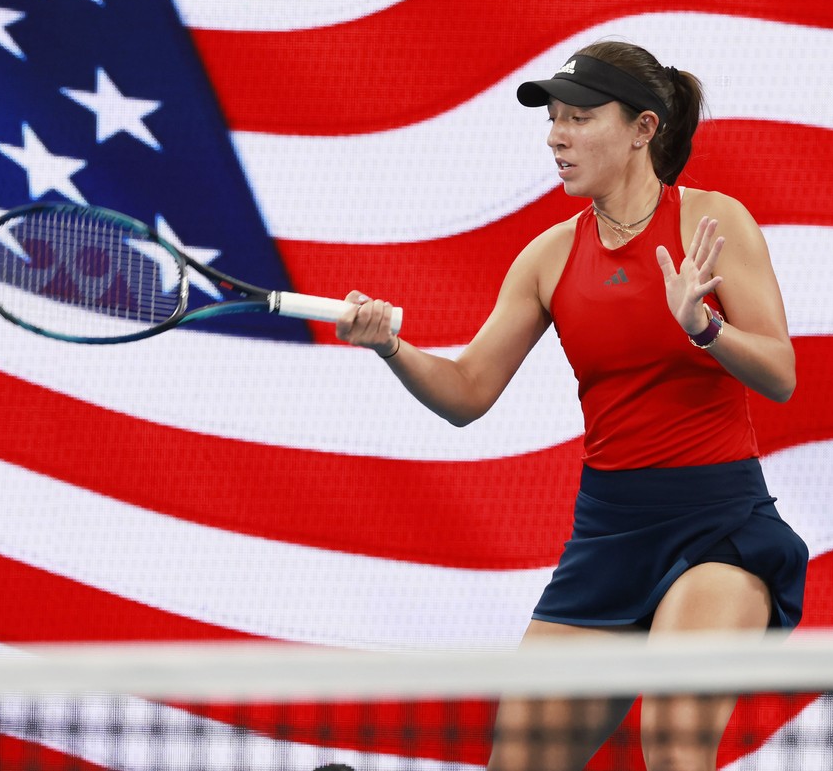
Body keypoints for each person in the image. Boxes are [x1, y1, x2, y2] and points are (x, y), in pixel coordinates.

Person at [335, 40, 808, 771]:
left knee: (676, 745)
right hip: (609, 537)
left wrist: (705, 328)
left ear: (643, 129)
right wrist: (390, 347)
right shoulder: (548, 257)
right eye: (554, 118)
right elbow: (467, 393)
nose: (557, 135)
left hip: (719, 525)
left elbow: (779, 373)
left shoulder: (714, 224)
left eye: (580, 117)